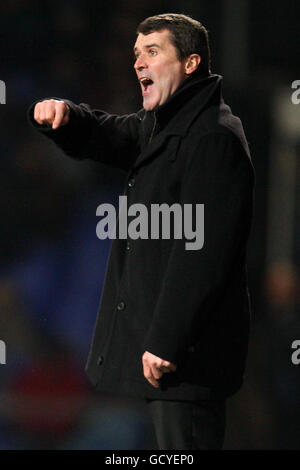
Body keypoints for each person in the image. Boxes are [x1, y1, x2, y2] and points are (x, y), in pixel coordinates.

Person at [28, 13, 255, 450]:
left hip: (189, 359)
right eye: (136, 54)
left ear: (190, 63)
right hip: (171, 357)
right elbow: (111, 135)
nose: (138, 63)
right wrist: (67, 116)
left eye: (152, 52)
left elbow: (203, 254)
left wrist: (168, 340)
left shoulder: (212, 138)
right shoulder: (165, 124)